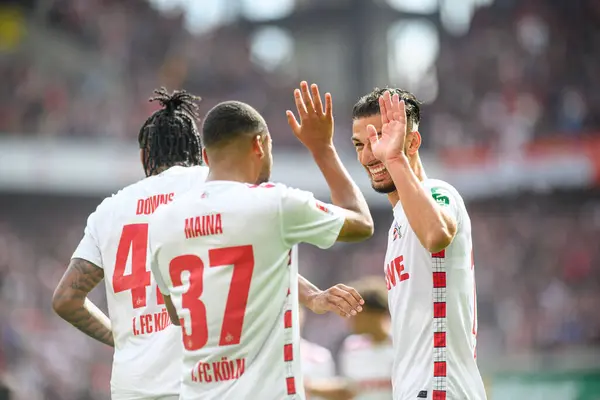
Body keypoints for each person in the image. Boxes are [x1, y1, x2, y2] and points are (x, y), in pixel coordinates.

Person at [51, 87, 367, 400]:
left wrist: (123, 339)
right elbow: (250, 249)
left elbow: (66, 298)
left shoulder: (109, 211)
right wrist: (311, 295)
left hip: (132, 387)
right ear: (201, 151)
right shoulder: (213, 185)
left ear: (143, 156)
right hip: (204, 383)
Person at [149, 81, 373, 400]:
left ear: (205, 156)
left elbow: (179, 308)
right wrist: (323, 149)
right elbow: (361, 223)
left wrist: (308, 295)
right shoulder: (274, 203)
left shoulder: (162, 221)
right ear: (260, 144)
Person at [350, 89, 486, 400]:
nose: (370, 154)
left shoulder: (438, 192)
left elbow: (437, 234)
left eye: (381, 139)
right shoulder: (397, 224)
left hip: (439, 388)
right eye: (361, 144)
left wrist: (395, 158)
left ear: (412, 142)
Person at [339, 277, 394, 400]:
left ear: (374, 314)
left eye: (355, 312)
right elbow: (349, 391)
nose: (350, 319)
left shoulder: (402, 345)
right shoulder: (351, 347)